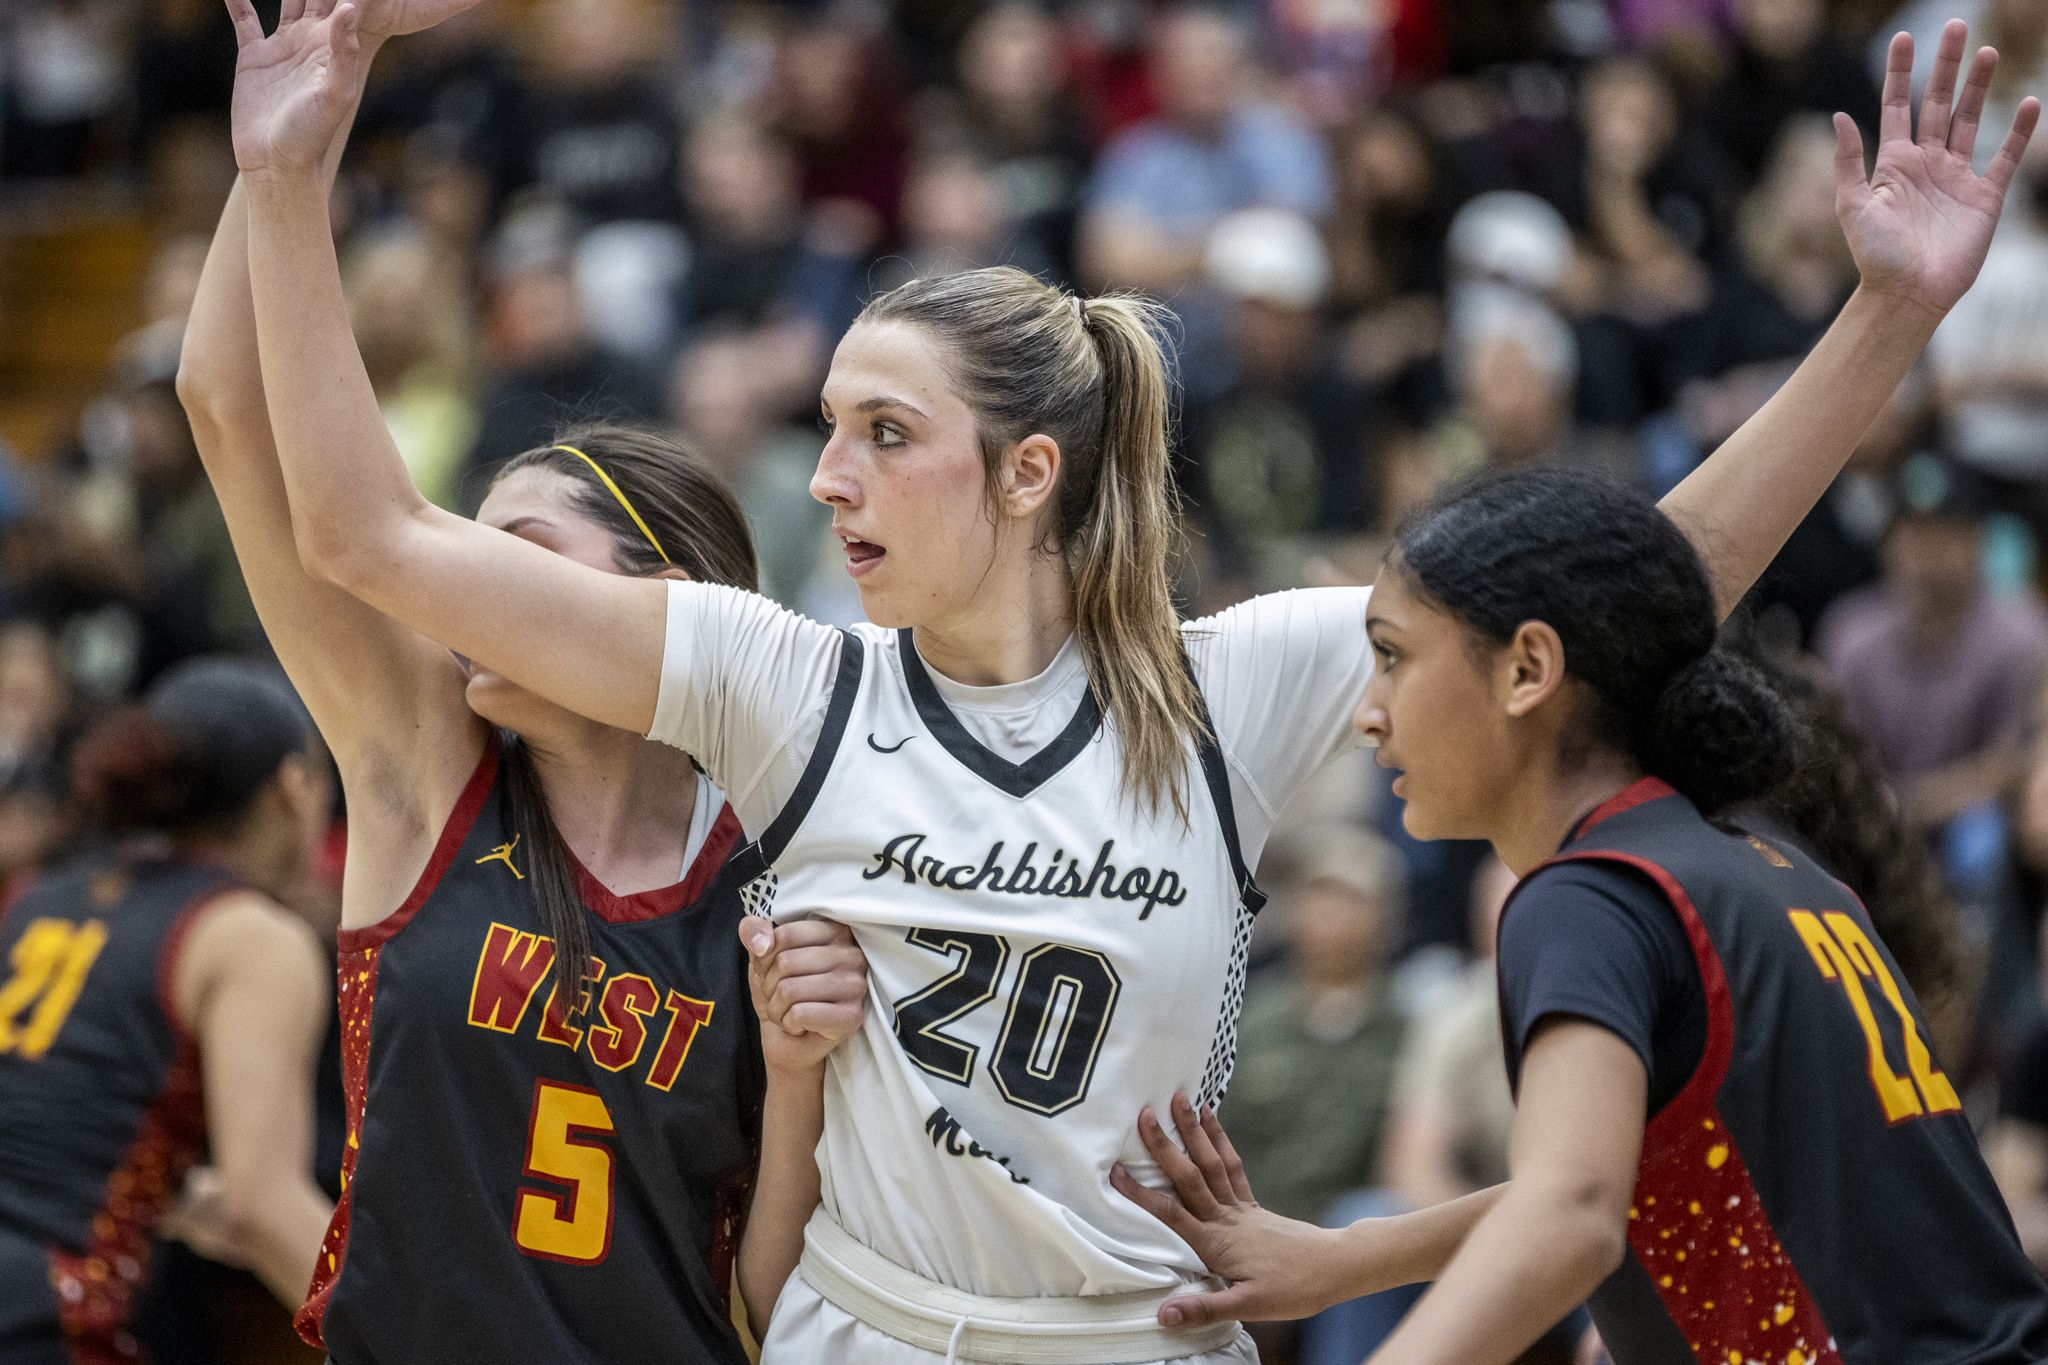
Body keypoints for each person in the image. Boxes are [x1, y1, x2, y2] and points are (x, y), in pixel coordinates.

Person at [225, 3, 2034, 1359]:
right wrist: (288, 176)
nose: (828, 479)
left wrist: (1886, 314)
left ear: (1028, 473)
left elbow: (1641, 585)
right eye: (828, 430)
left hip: (1137, 1339)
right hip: (868, 1331)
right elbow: (366, 534)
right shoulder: (785, 684)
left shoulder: (1221, 686)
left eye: (884, 434)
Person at [178, 1, 869, 1357]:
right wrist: (285, 166)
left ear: (664, 601)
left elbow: (772, 1302)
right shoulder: (427, 762)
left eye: (518, 559)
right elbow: (228, 400)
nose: (464, 597)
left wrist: (794, 1081)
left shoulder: (786, 869)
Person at [1110, 466, 2048, 1363]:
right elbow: (1640, 1176)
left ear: (1527, 669)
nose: (1368, 711)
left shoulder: (1587, 895)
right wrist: (1346, 1259)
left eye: (1392, 656)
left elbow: (1572, 1214)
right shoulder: (1762, 863)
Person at [0, 659, 336, 1363]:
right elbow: (261, 1203)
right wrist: (420, 1332)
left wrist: (176, 1194)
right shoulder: (249, 934)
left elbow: (64, 1125)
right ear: (294, 787)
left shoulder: (45, 896)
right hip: (38, 1311)